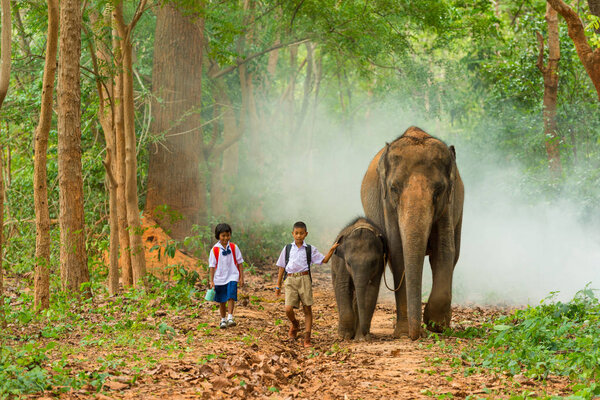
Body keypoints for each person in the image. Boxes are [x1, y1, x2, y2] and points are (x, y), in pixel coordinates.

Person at [275, 221, 339, 347]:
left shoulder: (310, 249)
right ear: (292, 234)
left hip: (304, 279)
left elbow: (324, 260)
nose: (299, 236)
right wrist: (278, 286)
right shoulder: (288, 248)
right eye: (296, 233)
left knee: (307, 309)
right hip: (290, 280)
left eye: (301, 233)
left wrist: (331, 249)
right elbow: (281, 267)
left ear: (306, 234)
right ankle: (295, 323)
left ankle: (307, 338)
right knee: (288, 309)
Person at [209, 223, 244, 329]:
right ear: (218, 236)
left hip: (232, 275)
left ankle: (230, 317)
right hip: (219, 278)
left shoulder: (234, 247)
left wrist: (241, 277)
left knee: (231, 296)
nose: (226, 238)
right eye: (223, 235)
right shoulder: (215, 249)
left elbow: (240, 262)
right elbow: (212, 266)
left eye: (228, 235)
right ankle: (223, 319)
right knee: (222, 300)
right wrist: (211, 280)